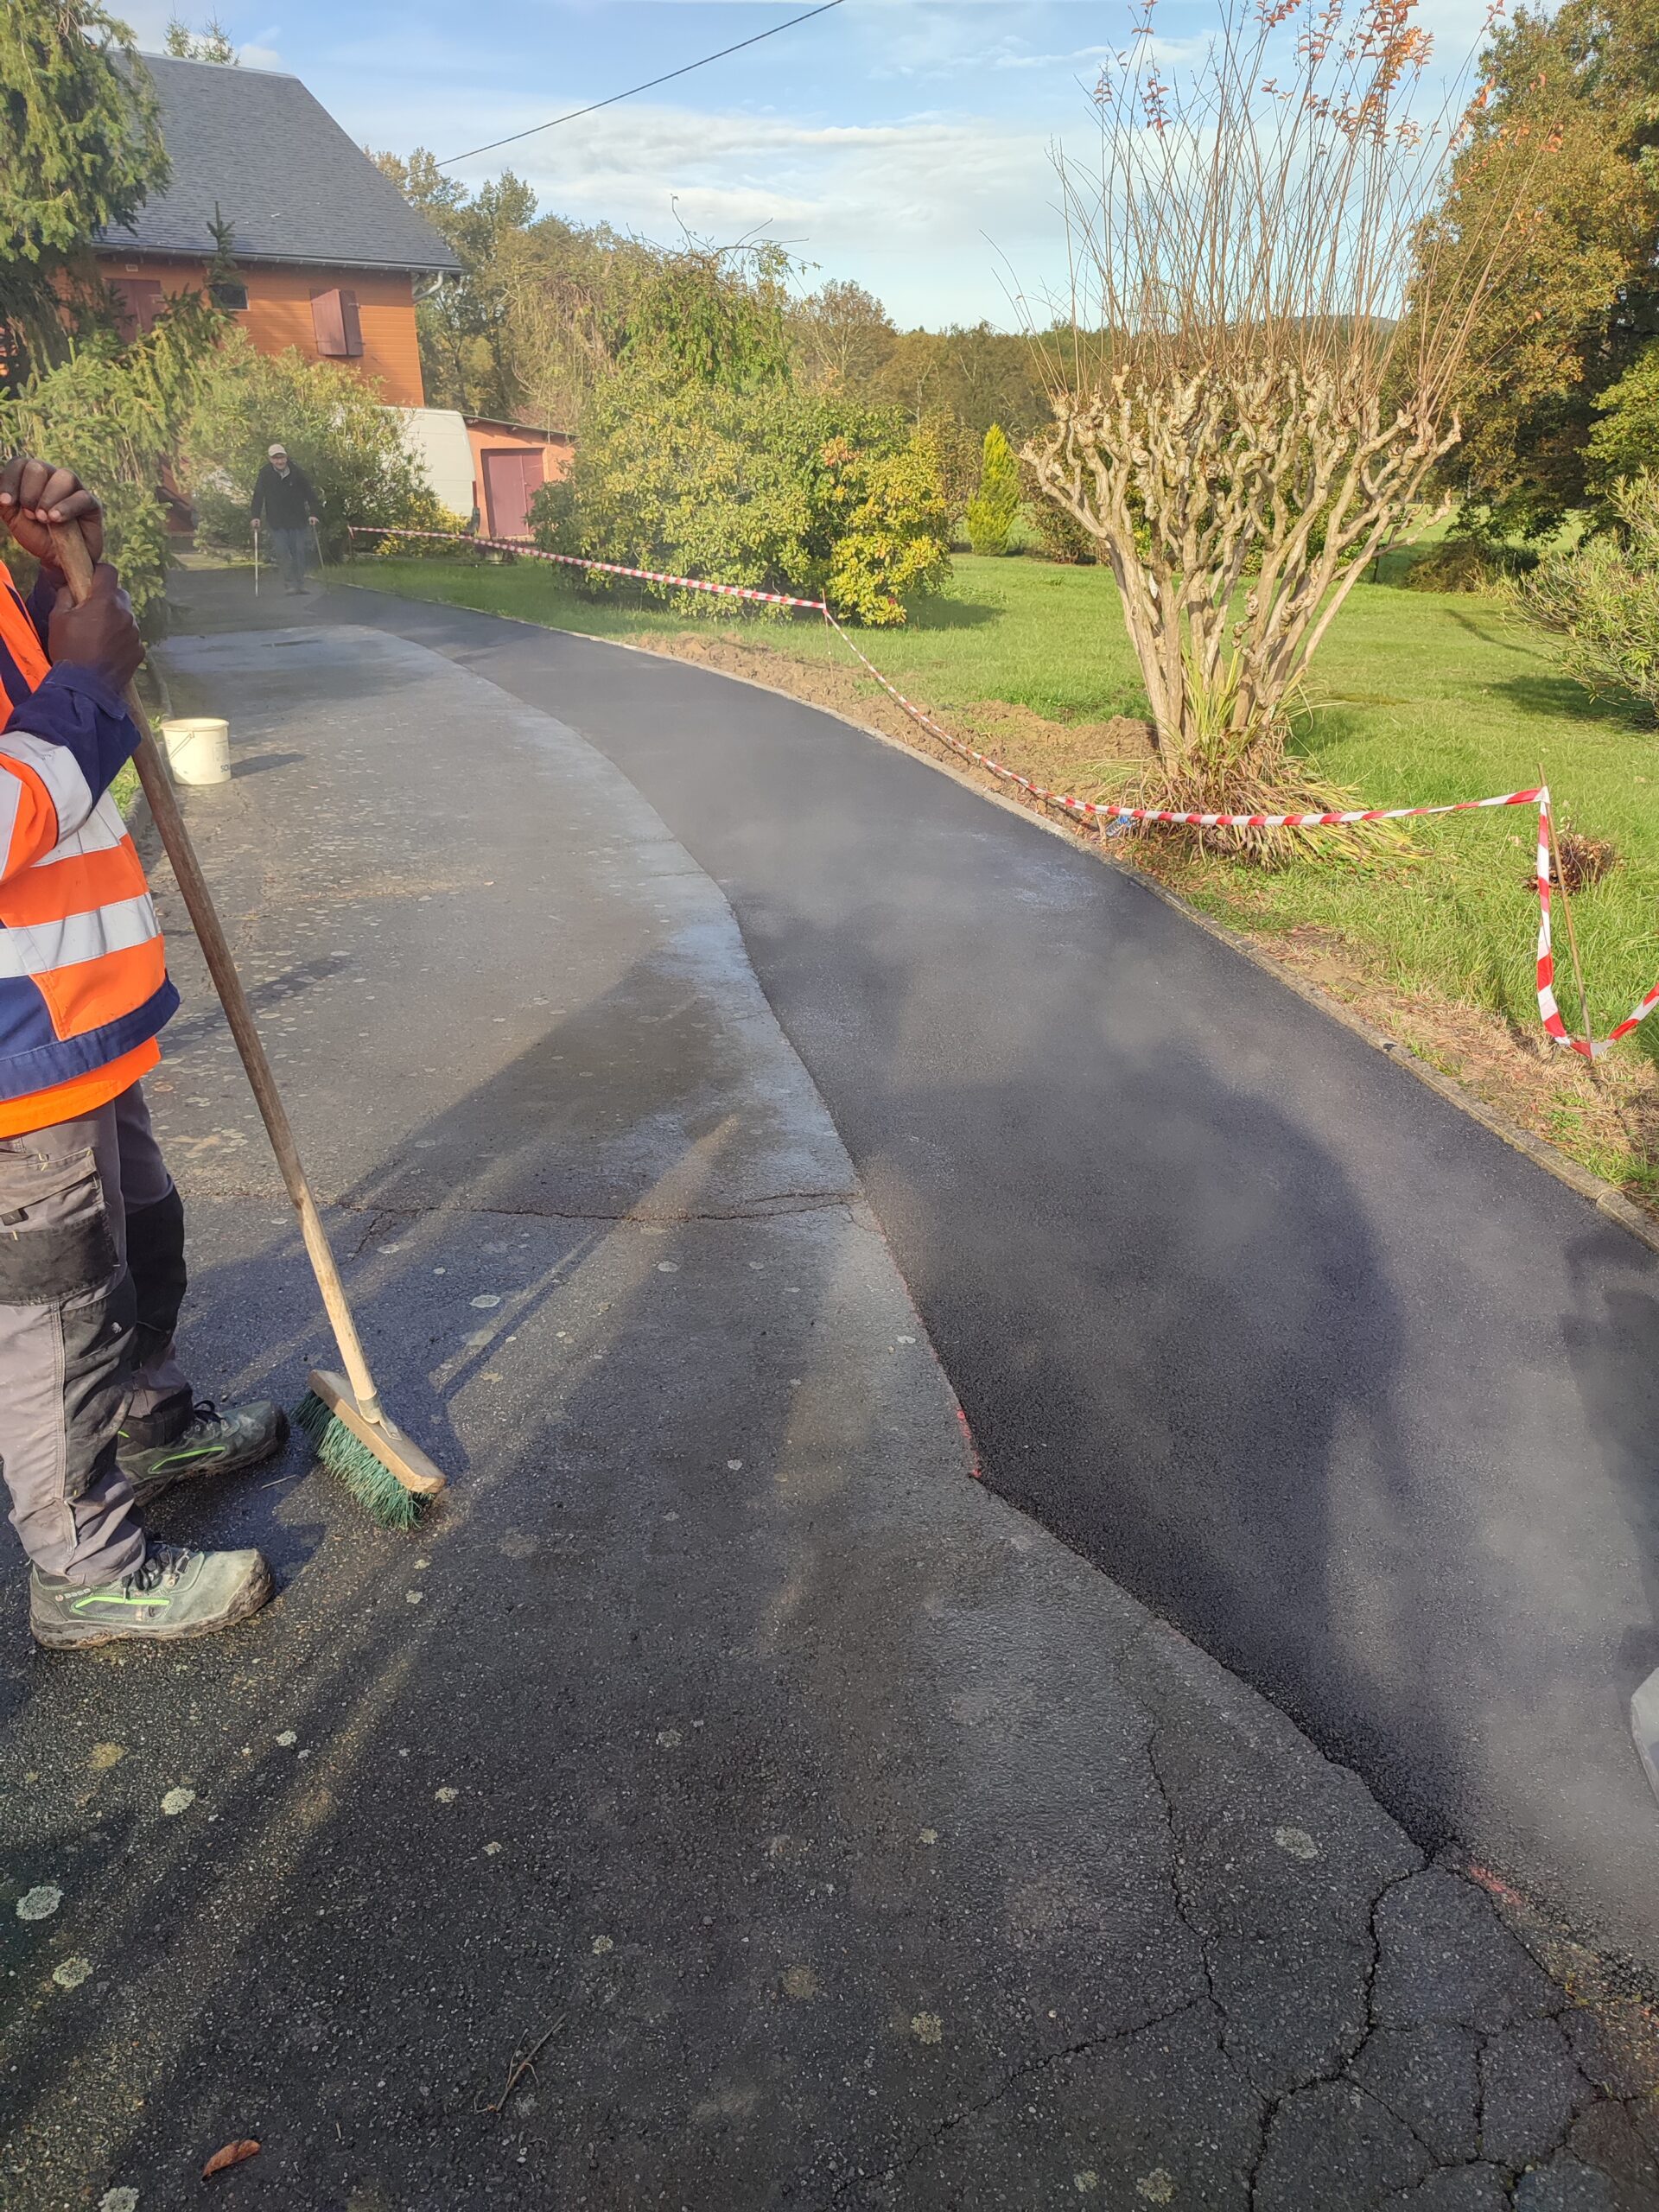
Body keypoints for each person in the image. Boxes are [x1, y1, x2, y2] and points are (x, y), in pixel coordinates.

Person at [0, 452, 283, 1650]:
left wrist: (57, 585)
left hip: (80, 1026)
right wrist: (86, 685)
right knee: (62, 1310)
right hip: (16, 1055)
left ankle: (149, 1426)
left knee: (141, 1242)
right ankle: (85, 1571)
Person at [249, 443, 321, 596]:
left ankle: (300, 584)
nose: (279, 461)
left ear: (286, 457)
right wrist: (255, 516)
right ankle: (290, 584)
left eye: (281, 457)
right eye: (276, 458)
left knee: (299, 552)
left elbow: (310, 494)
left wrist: (314, 513)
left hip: (298, 520)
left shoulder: (297, 472)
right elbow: (258, 496)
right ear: (270, 459)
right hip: (277, 522)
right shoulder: (265, 474)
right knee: (283, 553)